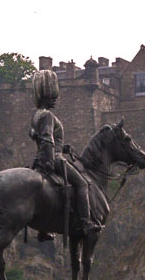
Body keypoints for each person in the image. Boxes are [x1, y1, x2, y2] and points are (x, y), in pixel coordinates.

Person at [29, 69, 101, 236]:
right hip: (53, 159)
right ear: (46, 96)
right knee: (83, 184)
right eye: (52, 96)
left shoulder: (36, 115)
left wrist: (62, 147)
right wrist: (51, 160)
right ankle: (86, 222)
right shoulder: (48, 115)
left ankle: (44, 228)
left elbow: (38, 137)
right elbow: (47, 140)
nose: (55, 99)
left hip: (40, 158)